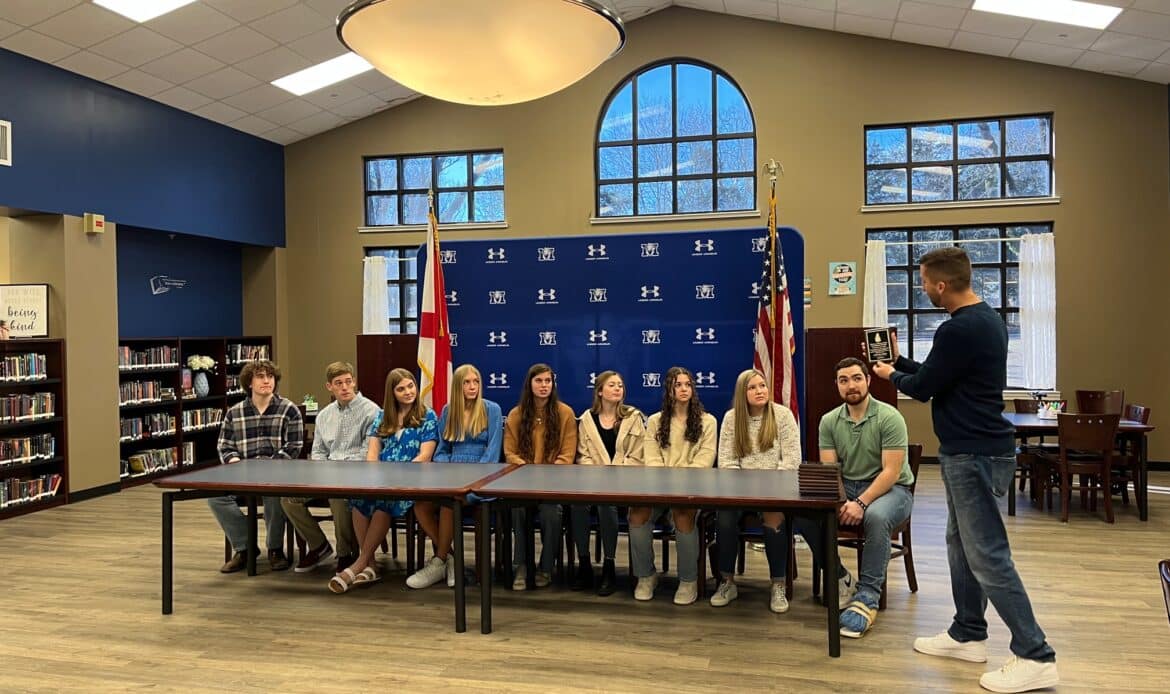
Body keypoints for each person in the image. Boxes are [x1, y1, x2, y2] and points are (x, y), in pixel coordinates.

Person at [873, 247, 1057, 693]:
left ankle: (1035, 654)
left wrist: (889, 375)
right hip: (975, 451)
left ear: (941, 285)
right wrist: (900, 362)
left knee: (988, 555)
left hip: (973, 454)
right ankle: (968, 633)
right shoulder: (986, 320)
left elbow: (922, 388)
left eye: (924, 282)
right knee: (960, 545)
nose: (922, 289)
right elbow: (940, 375)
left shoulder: (957, 329)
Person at [796, 357, 913, 638]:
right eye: (844, 380)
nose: (851, 385)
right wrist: (839, 501)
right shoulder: (829, 421)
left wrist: (861, 503)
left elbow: (891, 472)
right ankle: (839, 576)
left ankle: (867, 597)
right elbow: (831, 471)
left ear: (868, 381)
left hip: (893, 489)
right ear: (837, 385)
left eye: (857, 378)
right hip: (846, 486)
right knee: (805, 511)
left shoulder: (889, 417)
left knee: (876, 516)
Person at [329, 368, 437, 594]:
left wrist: (398, 478)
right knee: (359, 502)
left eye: (411, 386)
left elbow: (425, 456)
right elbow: (372, 453)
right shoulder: (381, 416)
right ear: (392, 393)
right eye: (401, 389)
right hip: (382, 478)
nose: (408, 392)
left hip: (411, 480)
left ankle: (360, 563)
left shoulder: (427, 416)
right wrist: (375, 477)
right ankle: (371, 565)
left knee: (383, 506)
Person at [710, 368, 802, 613]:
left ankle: (778, 584)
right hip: (739, 491)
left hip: (774, 491)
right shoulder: (731, 418)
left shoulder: (783, 415)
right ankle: (727, 582)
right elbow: (726, 462)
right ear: (743, 393)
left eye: (762, 386)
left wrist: (769, 489)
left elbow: (791, 461)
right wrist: (742, 489)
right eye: (752, 388)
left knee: (774, 518)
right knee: (724, 517)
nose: (759, 391)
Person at [405, 364, 503, 590]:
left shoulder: (492, 409)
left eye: (476, 382)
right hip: (450, 477)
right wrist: (450, 472)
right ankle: (451, 558)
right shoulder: (448, 411)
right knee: (421, 505)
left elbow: (492, 453)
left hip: (482, 481)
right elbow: (441, 451)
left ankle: (439, 560)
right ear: (458, 386)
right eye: (467, 382)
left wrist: (471, 479)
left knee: (449, 504)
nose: (472, 386)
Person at [280, 361, 378, 575]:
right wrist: (324, 471)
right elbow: (318, 451)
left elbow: (367, 453)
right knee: (288, 498)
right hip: (326, 473)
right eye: (338, 383)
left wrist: (338, 471)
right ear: (329, 387)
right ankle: (319, 546)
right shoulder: (324, 415)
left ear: (354, 382)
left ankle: (345, 553)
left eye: (348, 382)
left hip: (357, 474)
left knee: (338, 496)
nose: (345, 387)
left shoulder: (372, 411)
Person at [630, 366, 716, 605]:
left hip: (691, 491)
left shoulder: (708, 421)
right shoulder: (655, 421)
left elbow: (704, 462)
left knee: (683, 514)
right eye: (678, 385)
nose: (684, 389)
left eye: (688, 384)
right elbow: (652, 460)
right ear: (669, 389)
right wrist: (666, 485)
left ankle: (688, 580)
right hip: (659, 489)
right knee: (637, 514)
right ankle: (646, 576)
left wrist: (679, 484)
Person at [209, 360, 303, 573]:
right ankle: (245, 547)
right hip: (242, 474)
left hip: (277, 473)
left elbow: (294, 446)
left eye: (270, 377)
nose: (267, 381)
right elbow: (224, 446)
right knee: (215, 497)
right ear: (249, 383)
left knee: (274, 494)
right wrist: (234, 462)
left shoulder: (289, 409)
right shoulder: (234, 412)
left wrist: (270, 467)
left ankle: (275, 549)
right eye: (260, 376)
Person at [570, 370, 645, 596]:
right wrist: (598, 476)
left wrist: (614, 474)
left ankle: (609, 566)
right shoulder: (586, 419)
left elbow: (639, 456)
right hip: (592, 482)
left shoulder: (633, 417)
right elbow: (583, 456)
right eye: (611, 385)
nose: (617, 388)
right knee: (577, 504)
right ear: (600, 391)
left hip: (625, 484)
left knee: (607, 504)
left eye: (620, 385)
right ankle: (584, 564)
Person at [503, 363, 576, 590]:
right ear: (530, 384)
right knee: (517, 510)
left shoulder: (565, 413)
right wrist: (528, 473)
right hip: (523, 484)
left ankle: (546, 567)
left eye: (548, 381)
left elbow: (567, 456)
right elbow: (510, 453)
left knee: (551, 513)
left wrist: (546, 477)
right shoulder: (516, 414)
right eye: (539, 381)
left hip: (553, 485)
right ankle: (521, 566)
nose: (544, 385)